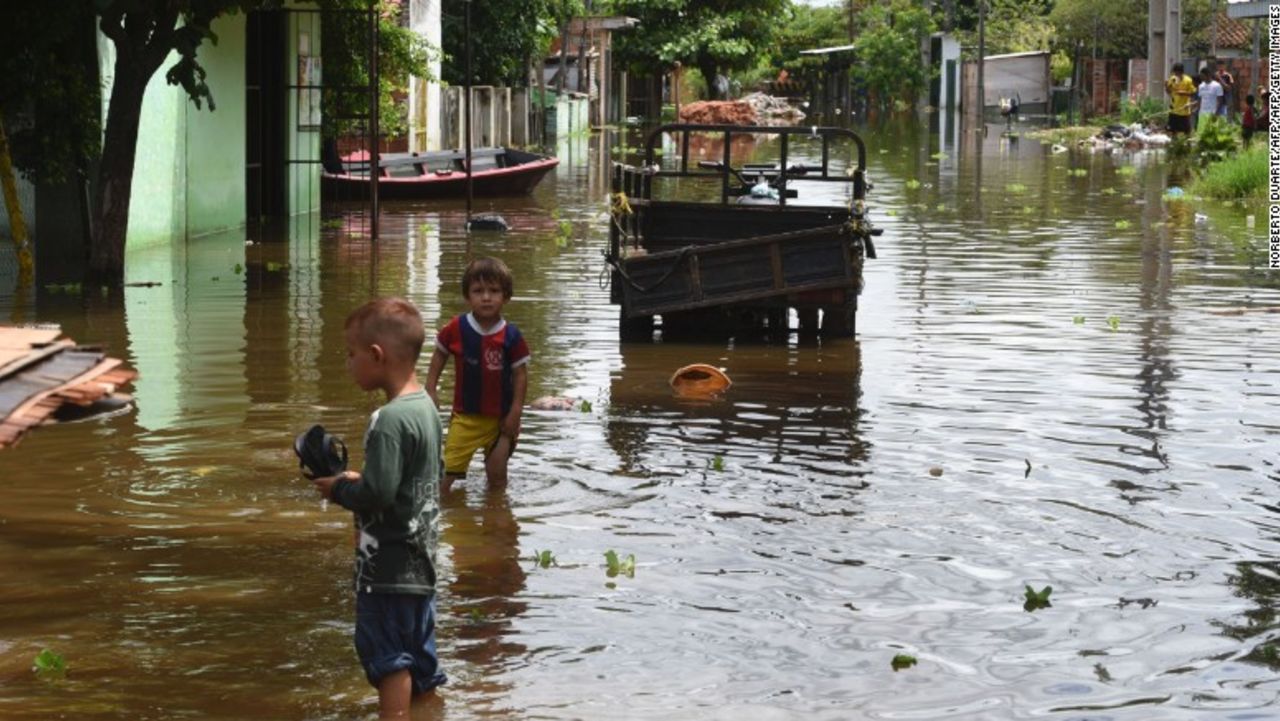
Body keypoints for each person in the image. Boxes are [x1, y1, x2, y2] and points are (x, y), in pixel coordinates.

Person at [312, 297, 447, 719]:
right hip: (420, 564)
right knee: (420, 662)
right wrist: (362, 480)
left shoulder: (388, 419)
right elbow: (415, 479)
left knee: (389, 660)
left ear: (376, 355)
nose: (349, 364)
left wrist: (338, 490)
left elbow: (379, 495)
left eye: (352, 355)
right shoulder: (426, 408)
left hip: (385, 569)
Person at [426, 257, 530, 494]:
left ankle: (495, 518)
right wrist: (430, 388)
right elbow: (439, 355)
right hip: (465, 418)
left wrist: (515, 414)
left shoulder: (511, 336)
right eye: (478, 291)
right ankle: (444, 519)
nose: (486, 297)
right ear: (467, 296)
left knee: (497, 478)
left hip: (500, 421)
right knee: (444, 479)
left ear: (506, 296)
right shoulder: (456, 328)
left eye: (493, 291)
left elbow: (521, 376)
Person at [1165, 63, 1196, 136]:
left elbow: (1193, 93)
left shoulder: (1188, 80)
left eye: (1177, 73)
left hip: (1184, 110)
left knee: (1186, 131)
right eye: (1174, 73)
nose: (1175, 74)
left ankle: (1187, 145)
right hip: (1174, 109)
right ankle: (1174, 144)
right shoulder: (1172, 79)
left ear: (1181, 72)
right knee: (1172, 130)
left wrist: (1184, 93)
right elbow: (1168, 92)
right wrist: (1166, 87)